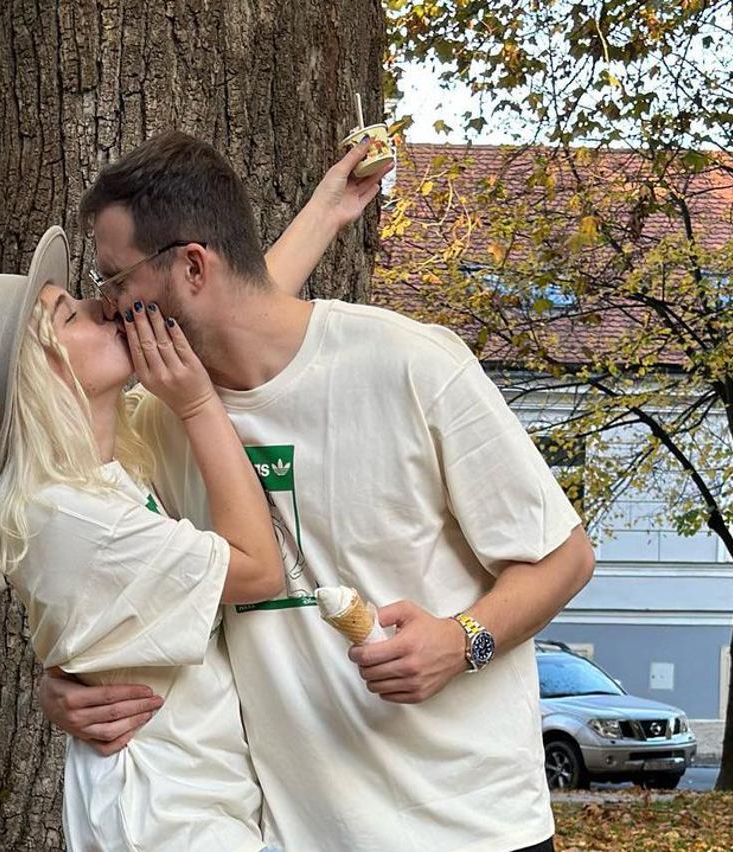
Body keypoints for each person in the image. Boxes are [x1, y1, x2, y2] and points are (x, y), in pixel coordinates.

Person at [42, 130, 597, 852]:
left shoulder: (410, 365)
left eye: (117, 280)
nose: (108, 305)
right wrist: (67, 683)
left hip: (475, 828)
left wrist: (464, 641)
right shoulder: (160, 425)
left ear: (193, 267)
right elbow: (114, 580)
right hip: (297, 834)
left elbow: (565, 557)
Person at [0, 144, 389, 852]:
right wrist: (200, 405)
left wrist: (328, 210)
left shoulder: (105, 475)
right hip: (165, 818)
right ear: (44, 378)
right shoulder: (73, 516)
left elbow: (233, 311)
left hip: (189, 804)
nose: (101, 305)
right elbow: (259, 570)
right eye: (70, 316)